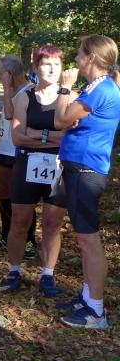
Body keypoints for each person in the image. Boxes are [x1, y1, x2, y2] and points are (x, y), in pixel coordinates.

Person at [54, 35, 120, 329]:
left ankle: (96, 310)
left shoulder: (100, 88)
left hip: (86, 170)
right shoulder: (97, 87)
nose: (76, 59)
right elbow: (70, 119)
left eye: (80, 53)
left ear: (91, 57)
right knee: (83, 239)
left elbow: (60, 120)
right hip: (80, 168)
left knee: (89, 240)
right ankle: (87, 297)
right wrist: (72, 114)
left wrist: (64, 87)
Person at [0, 46, 71, 296]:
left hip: (59, 166)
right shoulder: (25, 97)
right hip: (26, 163)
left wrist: (36, 134)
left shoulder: (70, 97)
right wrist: (52, 137)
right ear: (36, 68)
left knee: (52, 223)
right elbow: (17, 137)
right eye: (46, 64)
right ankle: (14, 270)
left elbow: (69, 138)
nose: (52, 69)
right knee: (19, 221)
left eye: (57, 64)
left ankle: (47, 274)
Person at [0, 56, 38, 256]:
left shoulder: (30, 91)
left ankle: (29, 239)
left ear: (10, 74)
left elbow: (10, 114)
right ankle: (6, 233)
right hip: (3, 149)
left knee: (22, 197)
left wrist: (7, 89)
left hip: (19, 151)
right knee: (4, 194)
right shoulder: (12, 91)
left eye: (0, 73)